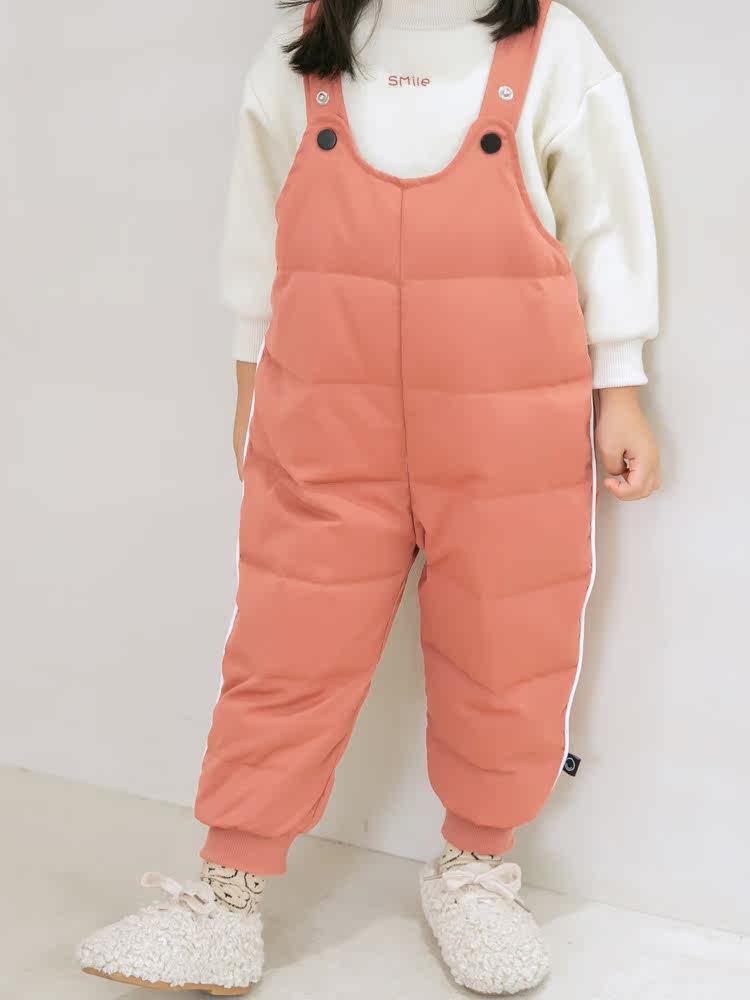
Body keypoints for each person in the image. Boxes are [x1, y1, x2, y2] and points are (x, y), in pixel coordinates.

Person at [77, 0, 660, 994]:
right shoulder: (300, 49)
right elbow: (255, 231)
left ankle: (477, 867)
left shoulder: (553, 49)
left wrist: (624, 386)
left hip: (511, 430)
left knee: (508, 646)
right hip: (323, 419)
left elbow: (605, 223)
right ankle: (228, 895)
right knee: (285, 646)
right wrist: (248, 381)